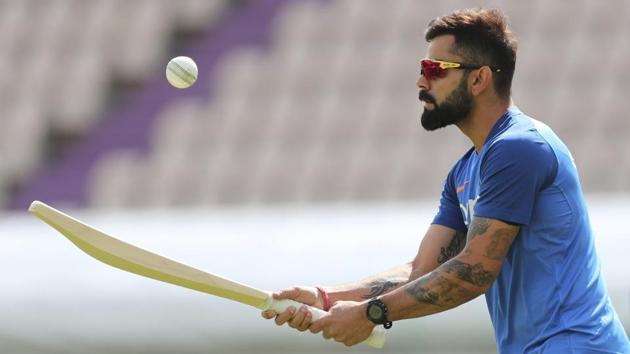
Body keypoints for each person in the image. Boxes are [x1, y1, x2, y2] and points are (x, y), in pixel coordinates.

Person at [262, 8, 630, 353]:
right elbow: (422, 269)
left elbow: (473, 271)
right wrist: (328, 297)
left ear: (479, 78)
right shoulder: (465, 171)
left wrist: (370, 314)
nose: (421, 80)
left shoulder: (519, 147)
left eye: (435, 68)